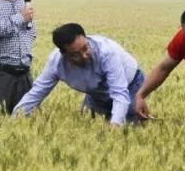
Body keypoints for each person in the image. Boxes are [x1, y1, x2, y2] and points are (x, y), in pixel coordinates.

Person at [14, 23, 144, 126]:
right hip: (96, 94)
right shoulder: (56, 62)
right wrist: (14, 120)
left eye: (86, 48)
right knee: (86, 127)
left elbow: (120, 93)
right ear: (63, 54)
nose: (84, 55)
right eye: (76, 54)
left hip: (130, 86)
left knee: (128, 129)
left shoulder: (106, 53)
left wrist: (115, 126)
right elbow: (37, 92)